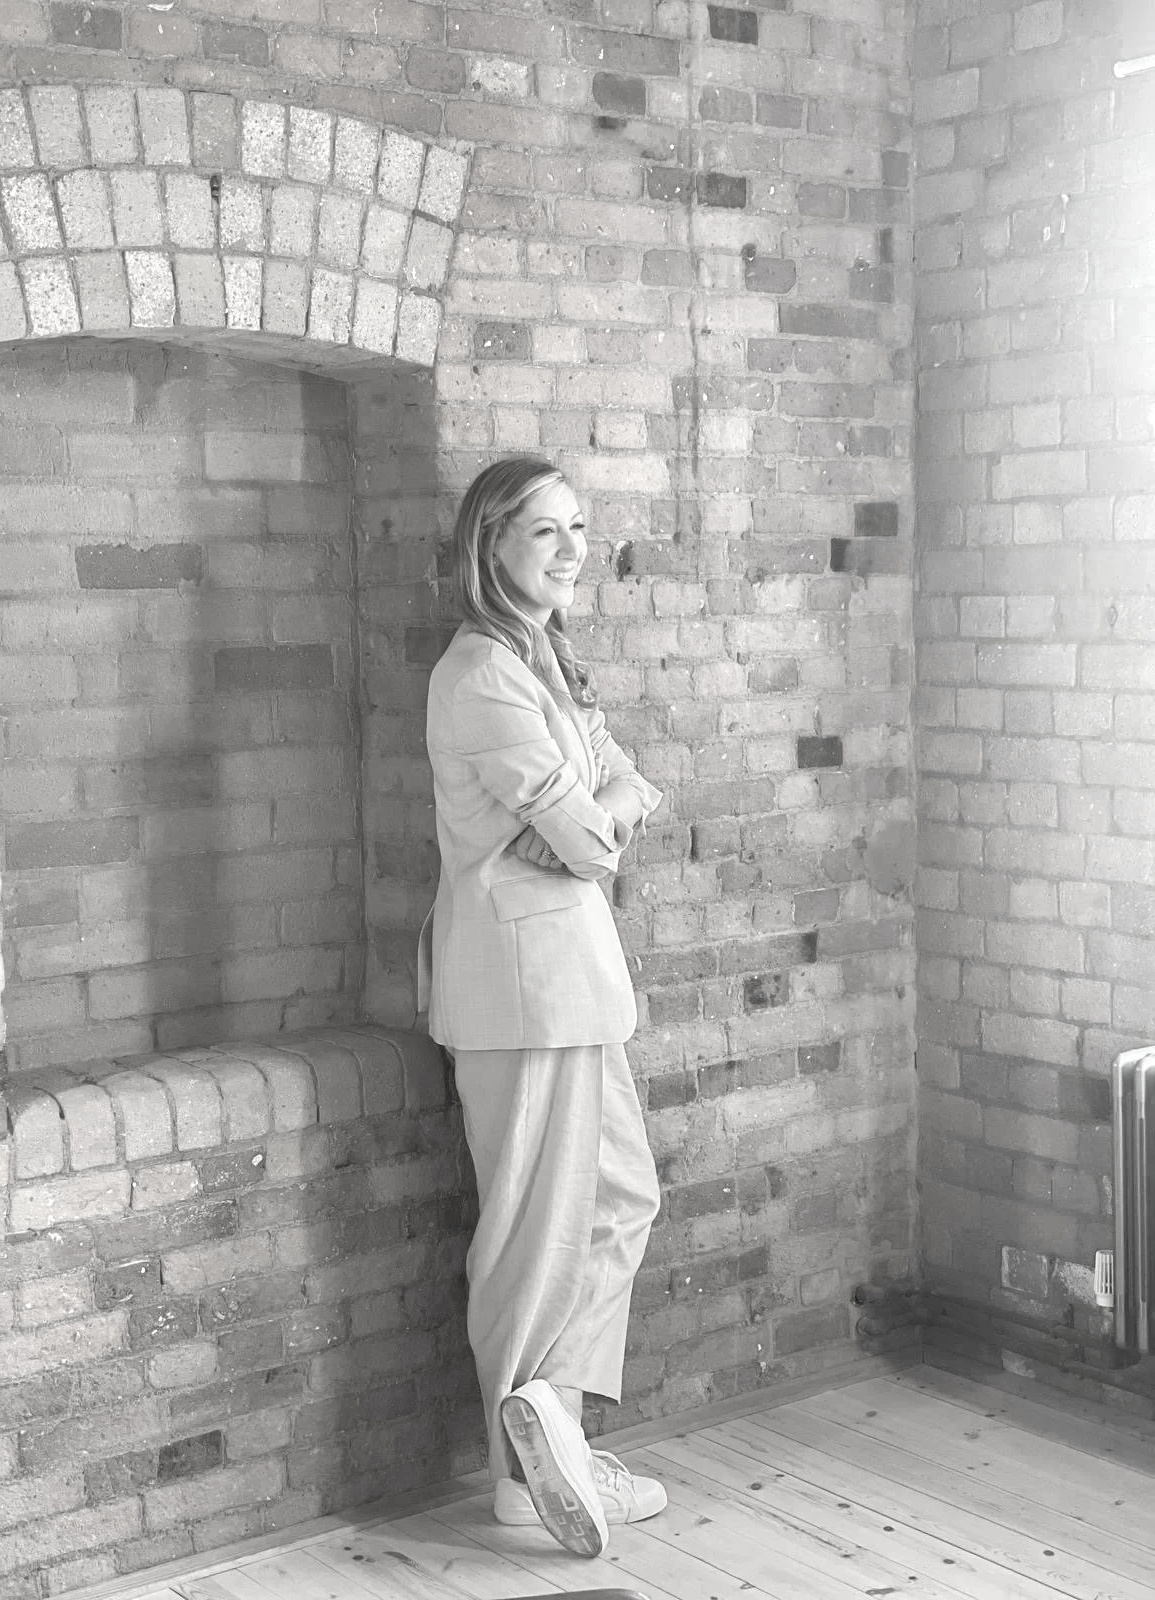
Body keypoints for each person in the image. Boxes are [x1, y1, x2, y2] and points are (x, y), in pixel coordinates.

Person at [417, 456, 667, 1558]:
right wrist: (592, 820)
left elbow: (622, 793)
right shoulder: (479, 674)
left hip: (577, 983)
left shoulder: (550, 662)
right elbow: (590, 836)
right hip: (518, 994)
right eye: (542, 532)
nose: (569, 548)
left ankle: (552, 1424)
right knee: (529, 1232)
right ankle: (523, 1469)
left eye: (577, 528)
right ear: (491, 547)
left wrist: (592, 817)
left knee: (619, 1199)